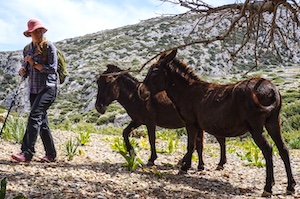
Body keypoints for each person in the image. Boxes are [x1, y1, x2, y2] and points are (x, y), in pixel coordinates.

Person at [11, 18, 58, 163]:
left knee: (34, 117)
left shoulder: (49, 47)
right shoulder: (27, 49)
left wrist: (35, 64)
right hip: (34, 90)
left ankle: (27, 153)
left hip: (48, 88)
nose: (37, 33)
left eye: (39, 31)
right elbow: (26, 72)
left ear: (42, 31)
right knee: (41, 122)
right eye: (34, 31)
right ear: (30, 33)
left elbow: (52, 69)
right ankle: (51, 154)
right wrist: (23, 71)